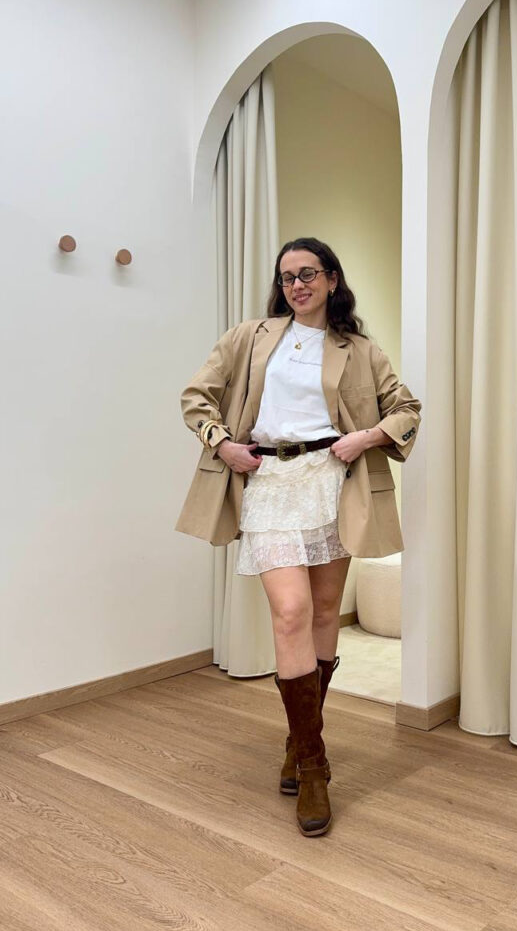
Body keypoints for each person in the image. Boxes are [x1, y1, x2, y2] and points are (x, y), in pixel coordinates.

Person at [176, 237, 421, 837]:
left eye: (308, 274)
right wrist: (222, 444)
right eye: (287, 277)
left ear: (332, 279)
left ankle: (298, 740)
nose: (297, 285)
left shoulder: (359, 349)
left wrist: (365, 438)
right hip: (270, 485)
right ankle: (314, 766)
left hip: (332, 484)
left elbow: (406, 409)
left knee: (324, 613)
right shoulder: (250, 337)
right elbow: (195, 398)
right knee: (290, 613)